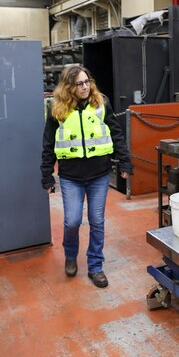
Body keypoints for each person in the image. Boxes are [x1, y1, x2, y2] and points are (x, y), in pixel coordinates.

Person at [41, 65, 131, 288]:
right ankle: (71, 255)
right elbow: (48, 144)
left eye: (87, 81)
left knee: (97, 220)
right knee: (72, 221)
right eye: (79, 83)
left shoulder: (101, 104)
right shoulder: (57, 110)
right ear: (69, 87)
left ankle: (95, 266)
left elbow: (116, 133)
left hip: (99, 175)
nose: (85, 87)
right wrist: (47, 175)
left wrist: (125, 161)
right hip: (71, 176)